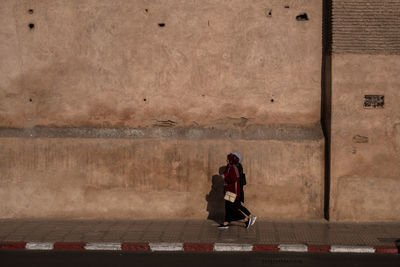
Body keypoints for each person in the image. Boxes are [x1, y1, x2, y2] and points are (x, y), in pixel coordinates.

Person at [218, 153, 255, 229]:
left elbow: (233, 179)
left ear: (231, 160)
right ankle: (226, 223)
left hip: (232, 191)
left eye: (228, 159)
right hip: (228, 190)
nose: (226, 160)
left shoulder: (233, 168)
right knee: (227, 207)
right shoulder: (230, 167)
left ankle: (246, 220)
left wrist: (224, 177)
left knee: (232, 207)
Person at [231, 151, 257, 226]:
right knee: (234, 205)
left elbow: (234, 179)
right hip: (236, 190)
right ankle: (250, 216)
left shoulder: (236, 167)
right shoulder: (237, 166)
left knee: (233, 205)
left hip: (235, 190)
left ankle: (247, 219)